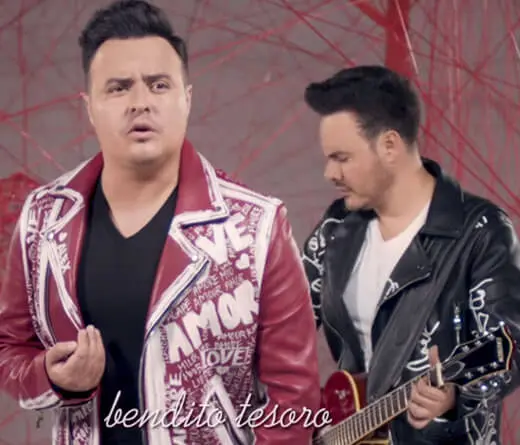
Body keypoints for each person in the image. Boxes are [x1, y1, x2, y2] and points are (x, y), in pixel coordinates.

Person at [0, 1, 321, 444]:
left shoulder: (256, 227)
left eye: (158, 85)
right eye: (119, 88)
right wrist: (53, 377)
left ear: (186, 99)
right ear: (89, 107)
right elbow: (8, 349)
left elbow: (295, 397)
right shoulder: (43, 219)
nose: (140, 103)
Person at [301, 65, 520, 444]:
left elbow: (510, 343)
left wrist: (455, 396)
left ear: (389, 146)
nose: (329, 173)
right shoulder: (336, 229)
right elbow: (285, 327)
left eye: (342, 158)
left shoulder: (480, 231)